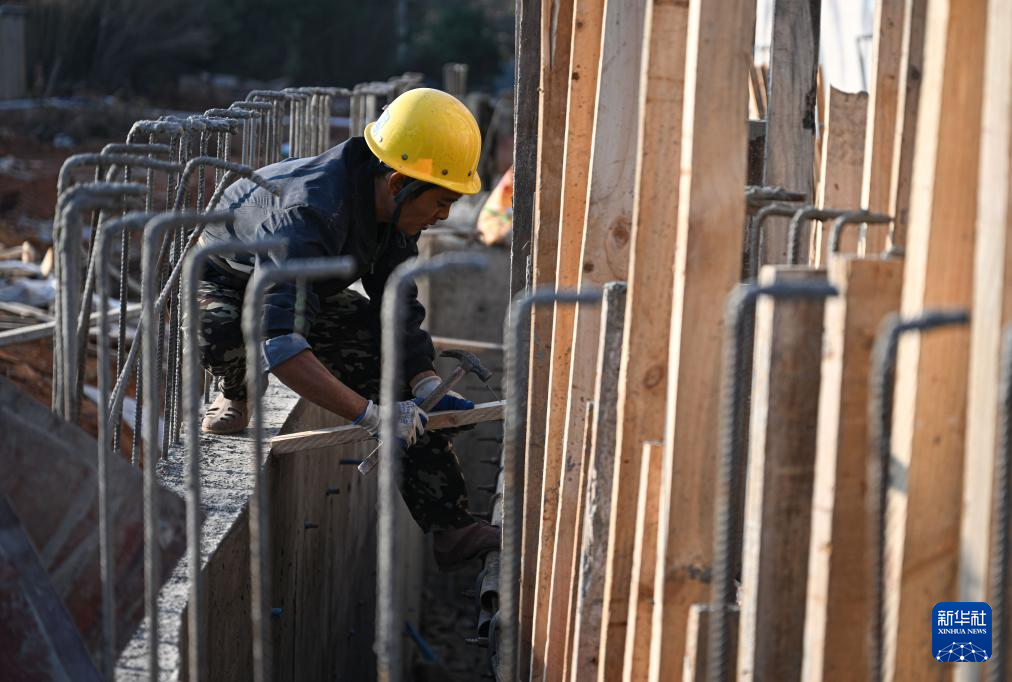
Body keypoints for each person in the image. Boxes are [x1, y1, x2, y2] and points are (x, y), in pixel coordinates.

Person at [195, 88, 498, 570]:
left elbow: (396, 299)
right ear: (399, 184)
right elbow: (283, 345)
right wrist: (372, 416)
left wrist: (424, 383)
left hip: (307, 282)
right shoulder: (311, 214)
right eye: (441, 202)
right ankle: (237, 389)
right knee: (222, 330)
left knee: (392, 368)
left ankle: (452, 528)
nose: (444, 215)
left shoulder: (394, 206)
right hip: (225, 280)